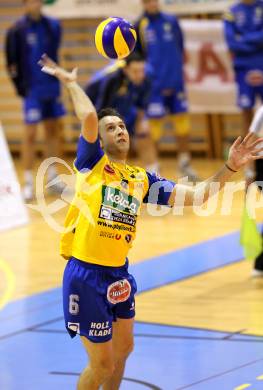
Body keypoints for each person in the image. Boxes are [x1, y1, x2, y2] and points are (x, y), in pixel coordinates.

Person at [39, 54, 263, 390]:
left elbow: (199, 195)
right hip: (85, 274)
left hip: (118, 272)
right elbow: (87, 114)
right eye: (111, 128)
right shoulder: (92, 165)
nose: (120, 131)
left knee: (124, 349)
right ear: (98, 141)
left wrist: (230, 167)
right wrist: (71, 83)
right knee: (101, 364)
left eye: (122, 126)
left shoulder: (141, 179)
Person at [5, 0, 66, 201]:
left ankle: (53, 178)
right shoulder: (17, 30)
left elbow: (55, 56)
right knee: (30, 134)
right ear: (25, 3)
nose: (36, 3)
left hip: (51, 88)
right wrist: (20, 88)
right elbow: (11, 62)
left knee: (52, 132)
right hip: (32, 91)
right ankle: (29, 182)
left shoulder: (53, 26)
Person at [135, 0, 199, 181]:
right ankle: (154, 171)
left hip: (176, 81)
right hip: (154, 86)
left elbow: (179, 48)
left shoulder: (172, 21)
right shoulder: (139, 25)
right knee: (154, 129)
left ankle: (185, 164)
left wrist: (177, 74)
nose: (151, 3)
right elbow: (138, 58)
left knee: (182, 124)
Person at [85, 52, 158, 172]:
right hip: (102, 113)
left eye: (141, 70)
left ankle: (155, 175)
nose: (140, 75)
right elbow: (99, 109)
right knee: (110, 144)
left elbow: (141, 104)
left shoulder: (147, 76)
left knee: (144, 134)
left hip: (125, 111)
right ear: (125, 69)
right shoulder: (111, 79)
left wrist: (140, 124)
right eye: (135, 71)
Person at [224, 0, 263, 136]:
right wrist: (255, 41)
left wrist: (243, 37)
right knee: (246, 112)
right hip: (243, 68)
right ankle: (248, 156)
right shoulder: (231, 12)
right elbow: (231, 42)